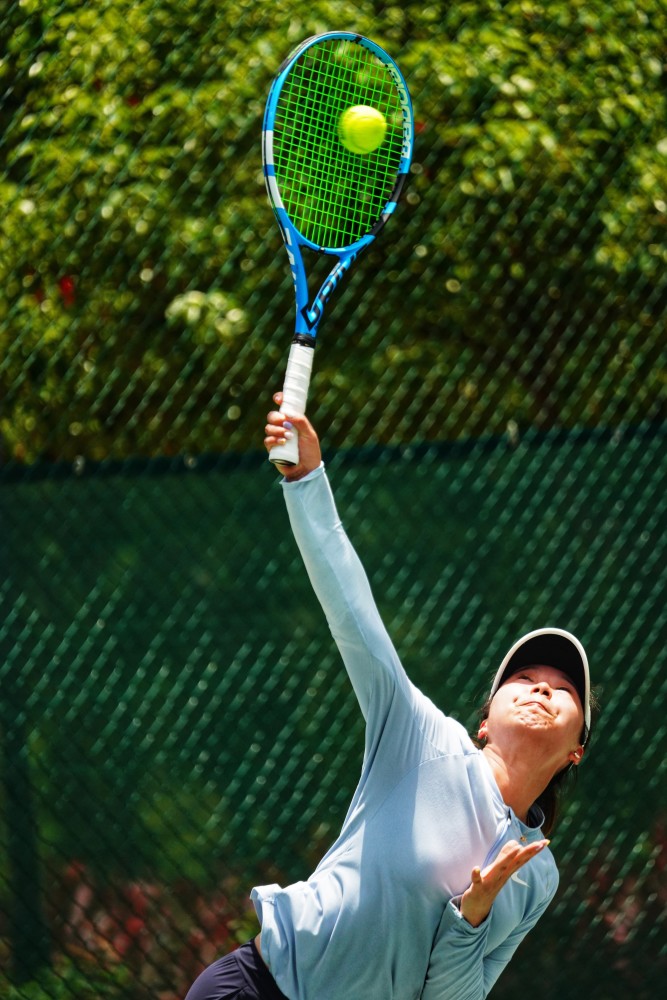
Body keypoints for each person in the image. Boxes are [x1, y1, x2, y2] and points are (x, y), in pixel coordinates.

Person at [185, 395, 596, 1000]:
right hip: (259, 988)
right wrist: (307, 482)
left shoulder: (536, 874)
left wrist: (472, 918)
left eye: (564, 689)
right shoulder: (423, 737)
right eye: (525, 677)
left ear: (576, 751)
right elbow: (353, 613)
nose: (543, 688)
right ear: (484, 721)